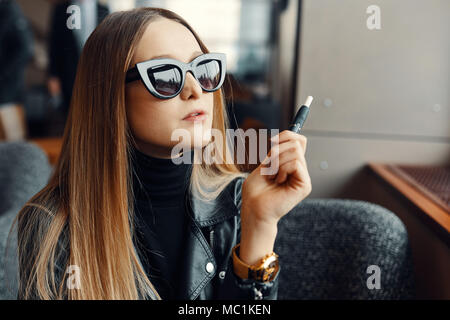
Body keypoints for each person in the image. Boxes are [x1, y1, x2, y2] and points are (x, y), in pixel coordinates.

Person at [13, 7, 312, 300]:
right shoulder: (50, 225)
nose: (195, 89)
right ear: (110, 96)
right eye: (166, 76)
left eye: (203, 69)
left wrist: (259, 226)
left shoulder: (240, 204)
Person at [47, 0, 109, 119]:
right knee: (72, 115)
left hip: (97, 73)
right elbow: (54, 44)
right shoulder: (61, 10)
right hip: (69, 74)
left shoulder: (103, 10)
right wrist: (53, 75)